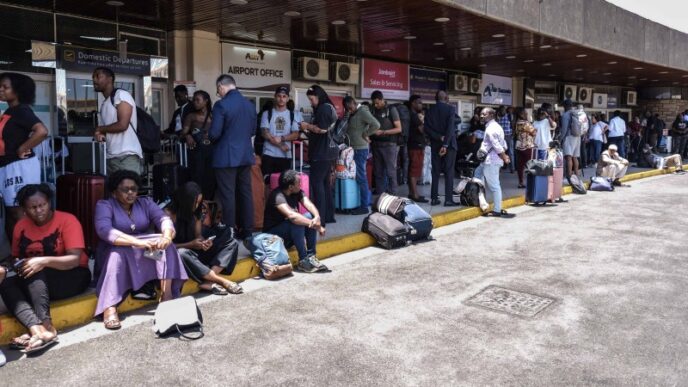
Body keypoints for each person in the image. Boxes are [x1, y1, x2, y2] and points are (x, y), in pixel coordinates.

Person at [0, 184, 91, 353]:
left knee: (36, 269)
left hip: (73, 275)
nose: (39, 210)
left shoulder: (67, 220)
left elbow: (74, 259)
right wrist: (14, 265)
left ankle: (48, 327)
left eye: (42, 205)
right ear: (25, 209)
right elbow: (15, 257)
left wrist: (42, 261)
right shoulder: (21, 226)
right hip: (38, 281)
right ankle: (37, 330)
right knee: (5, 282)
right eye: (33, 207)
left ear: (50, 202)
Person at [94, 170, 187, 330]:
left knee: (167, 247)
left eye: (134, 189)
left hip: (144, 251)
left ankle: (167, 296)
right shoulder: (105, 205)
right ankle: (109, 307)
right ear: (114, 191)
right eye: (125, 189)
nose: (130, 193)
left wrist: (166, 236)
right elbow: (104, 230)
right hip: (116, 250)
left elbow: (163, 218)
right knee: (118, 253)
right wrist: (136, 242)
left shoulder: (145, 203)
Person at [166, 182, 242, 295]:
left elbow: (198, 235)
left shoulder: (196, 212)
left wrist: (204, 242)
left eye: (199, 202)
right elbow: (166, 245)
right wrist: (190, 244)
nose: (197, 205)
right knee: (182, 253)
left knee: (232, 243)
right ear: (185, 200)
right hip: (180, 255)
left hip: (195, 251)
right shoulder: (168, 214)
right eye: (195, 202)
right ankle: (221, 281)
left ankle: (207, 281)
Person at [0, 72, 50, 236]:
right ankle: (16, 255)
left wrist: (23, 148)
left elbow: (42, 131)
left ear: (18, 90)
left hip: (19, 167)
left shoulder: (21, 110)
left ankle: (28, 252)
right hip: (7, 166)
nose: (1, 90)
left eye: (5, 87)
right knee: (11, 212)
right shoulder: (10, 111)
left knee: (20, 212)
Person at [208, 74, 255, 237]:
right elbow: (253, 131)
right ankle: (248, 231)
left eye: (218, 90)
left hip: (226, 156)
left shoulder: (221, 105)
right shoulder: (249, 105)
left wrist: (210, 137)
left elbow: (214, 134)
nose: (218, 94)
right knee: (245, 193)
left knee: (228, 195)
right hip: (245, 155)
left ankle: (229, 232)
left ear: (221, 86)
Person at [263, 170, 328, 273]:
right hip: (272, 237)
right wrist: (317, 226)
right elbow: (292, 216)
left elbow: (309, 204)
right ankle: (303, 260)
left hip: (288, 234)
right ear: (290, 187)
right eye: (299, 183)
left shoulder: (297, 192)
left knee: (308, 216)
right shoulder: (277, 196)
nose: (301, 185)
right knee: (296, 222)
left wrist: (317, 217)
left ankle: (311, 257)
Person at [92, 67, 143, 175]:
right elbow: (110, 129)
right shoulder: (104, 104)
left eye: (98, 76)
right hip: (111, 157)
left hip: (126, 156)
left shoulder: (121, 95)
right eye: (93, 77)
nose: (94, 80)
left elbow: (122, 125)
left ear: (110, 79)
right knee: (114, 192)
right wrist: (101, 133)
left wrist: (99, 129)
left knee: (128, 190)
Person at [300, 85, 338, 224]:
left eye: (312, 99)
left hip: (321, 153)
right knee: (324, 185)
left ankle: (319, 217)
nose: (311, 102)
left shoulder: (323, 108)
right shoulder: (329, 107)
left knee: (317, 184)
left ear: (319, 96)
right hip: (327, 152)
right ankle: (328, 216)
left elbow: (321, 129)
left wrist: (306, 126)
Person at [342, 96, 380, 215]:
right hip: (352, 149)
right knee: (356, 177)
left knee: (361, 177)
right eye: (347, 109)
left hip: (360, 150)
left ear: (354, 103)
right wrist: (348, 115)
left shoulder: (362, 111)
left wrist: (365, 134)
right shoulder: (353, 113)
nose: (349, 110)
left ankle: (364, 206)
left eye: (350, 107)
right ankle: (360, 202)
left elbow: (376, 124)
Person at [425, 90, 459, 206]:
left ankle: (434, 198)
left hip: (435, 144)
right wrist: (445, 143)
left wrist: (439, 137)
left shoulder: (429, 110)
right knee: (449, 171)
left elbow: (427, 129)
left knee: (435, 171)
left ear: (436, 98)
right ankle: (448, 200)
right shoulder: (450, 109)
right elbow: (450, 127)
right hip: (449, 145)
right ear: (447, 98)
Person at [477, 107, 513, 218]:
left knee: (494, 186)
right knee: (478, 177)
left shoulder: (491, 128)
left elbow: (497, 145)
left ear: (491, 115)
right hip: (489, 161)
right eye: (481, 114)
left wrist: (504, 157)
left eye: (484, 114)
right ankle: (482, 202)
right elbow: (504, 145)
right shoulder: (496, 127)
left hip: (491, 161)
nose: (481, 116)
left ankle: (497, 210)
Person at [181, 90, 216, 199]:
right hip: (196, 153)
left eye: (198, 100)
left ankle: (208, 207)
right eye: (194, 100)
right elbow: (182, 133)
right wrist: (187, 136)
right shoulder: (191, 116)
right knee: (197, 178)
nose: (195, 102)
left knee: (210, 180)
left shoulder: (214, 117)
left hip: (212, 153)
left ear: (206, 101)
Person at [260, 86, 302, 177]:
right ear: (275, 97)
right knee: (267, 183)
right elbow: (265, 133)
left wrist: (282, 138)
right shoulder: (267, 113)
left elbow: (295, 134)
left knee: (284, 185)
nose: (281, 99)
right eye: (279, 96)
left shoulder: (293, 115)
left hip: (285, 156)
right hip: (269, 154)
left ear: (287, 98)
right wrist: (280, 145)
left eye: (284, 96)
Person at [369, 90, 402, 195]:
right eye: (374, 103)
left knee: (391, 172)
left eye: (377, 102)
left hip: (389, 145)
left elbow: (398, 129)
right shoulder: (373, 110)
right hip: (376, 145)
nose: (376, 105)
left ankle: (394, 195)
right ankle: (380, 195)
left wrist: (383, 132)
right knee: (378, 173)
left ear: (382, 99)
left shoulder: (391, 110)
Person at [407, 95, 428, 203]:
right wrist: (424, 121)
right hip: (416, 146)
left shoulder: (412, 115)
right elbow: (422, 129)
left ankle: (412, 192)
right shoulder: (414, 116)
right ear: (413, 103)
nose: (421, 105)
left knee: (414, 169)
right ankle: (415, 194)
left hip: (414, 145)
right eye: (419, 103)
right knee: (415, 170)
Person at [513, 107, 537, 188]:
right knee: (531, 165)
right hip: (527, 146)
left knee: (520, 166)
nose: (527, 114)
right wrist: (534, 130)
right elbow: (534, 133)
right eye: (525, 112)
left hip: (519, 146)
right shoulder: (526, 123)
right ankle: (532, 183)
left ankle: (521, 182)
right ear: (521, 114)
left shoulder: (517, 122)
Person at [559, 99, 583, 179]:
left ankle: (569, 177)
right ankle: (576, 175)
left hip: (569, 137)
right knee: (575, 157)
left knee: (568, 157)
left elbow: (564, 129)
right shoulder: (577, 113)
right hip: (578, 136)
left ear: (565, 106)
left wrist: (561, 139)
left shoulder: (566, 115)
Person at [497, 106, 515, 173]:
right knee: (501, 152)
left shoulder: (509, 116)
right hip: (501, 137)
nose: (502, 111)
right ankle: (501, 167)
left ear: (505, 111)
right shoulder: (498, 118)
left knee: (511, 153)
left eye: (503, 110)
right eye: (501, 110)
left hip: (508, 136)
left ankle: (512, 168)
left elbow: (513, 125)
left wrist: (512, 135)